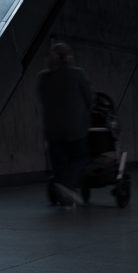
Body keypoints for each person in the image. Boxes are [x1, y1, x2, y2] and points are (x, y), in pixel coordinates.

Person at [37, 42, 95, 208]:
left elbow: (43, 99)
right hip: (75, 128)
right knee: (82, 157)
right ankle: (68, 185)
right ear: (69, 56)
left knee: (59, 163)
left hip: (52, 129)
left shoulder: (42, 76)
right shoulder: (77, 74)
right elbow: (89, 99)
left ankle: (65, 198)